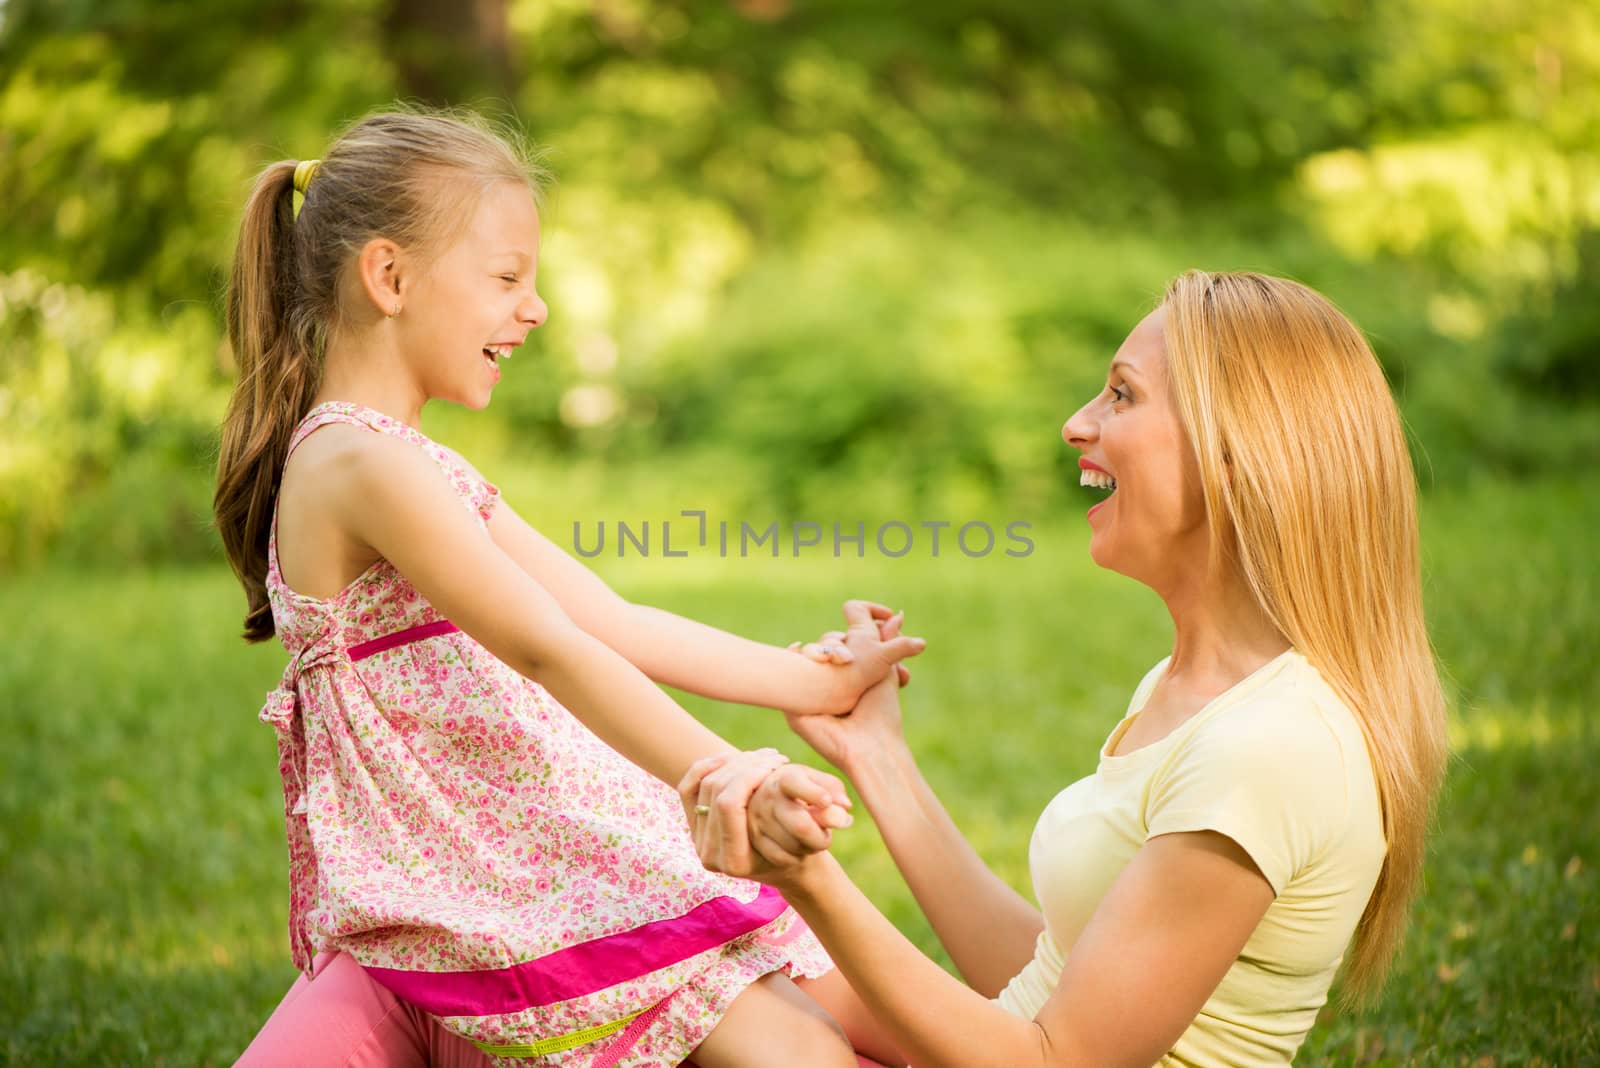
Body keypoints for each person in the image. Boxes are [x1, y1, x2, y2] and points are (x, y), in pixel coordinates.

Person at [213, 108, 920, 1067]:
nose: (535, 307)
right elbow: (550, 649)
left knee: (907, 1025)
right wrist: (728, 781)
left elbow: (610, 620)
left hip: (571, 854)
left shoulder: (410, 463)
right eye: (506, 279)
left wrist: (821, 686)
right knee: (807, 1055)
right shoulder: (355, 462)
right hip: (513, 881)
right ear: (389, 277)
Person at [684, 270, 1451, 1067]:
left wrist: (812, 882)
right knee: (690, 959)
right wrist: (878, 758)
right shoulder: (1192, 692)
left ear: (1234, 452)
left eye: (1122, 395)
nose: (1076, 424)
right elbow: (1053, 986)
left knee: (702, 985)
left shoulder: (1271, 747)